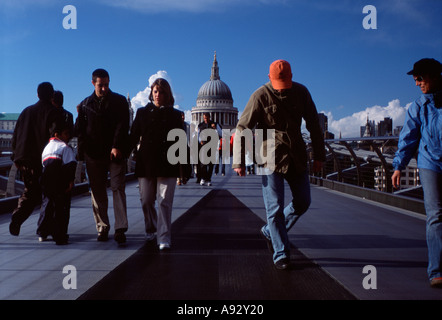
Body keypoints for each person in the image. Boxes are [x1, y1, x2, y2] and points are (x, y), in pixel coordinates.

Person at [232, 60, 326, 270]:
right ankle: (281, 253)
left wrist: (320, 155)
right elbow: (242, 128)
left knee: (303, 201)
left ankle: (269, 231)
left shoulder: (302, 92)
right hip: (269, 156)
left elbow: (313, 124)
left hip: (296, 156)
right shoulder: (259, 95)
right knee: (273, 207)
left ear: (292, 77)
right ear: (269, 78)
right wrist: (238, 161)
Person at [392, 58, 442, 288]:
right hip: (429, 163)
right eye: (415, 79)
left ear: (433, 76)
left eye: (420, 78)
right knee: (436, 214)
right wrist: (398, 166)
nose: (416, 83)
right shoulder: (418, 107)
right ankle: (436, 271)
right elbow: (408, 139)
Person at [75, 69, 130, 244]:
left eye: (107, 84)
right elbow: (79, 131)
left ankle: (120, 228)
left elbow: (122, 126)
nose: (105, 88)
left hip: (114, 153)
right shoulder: (85, 105)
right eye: (101, 85)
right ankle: (102, 227)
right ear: (93, 83)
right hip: (93, 154)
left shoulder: (120, 101)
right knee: (97, 192)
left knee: (117, 188)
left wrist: (116, 146)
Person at [129, 78, 184, 250]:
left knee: (164, 202)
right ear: (151, 94)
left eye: (161, 92)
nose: (158, 95)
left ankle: (164, 237)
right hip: (146, 163)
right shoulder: (142, 113)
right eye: (155, 92)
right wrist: (121, 151)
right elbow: (133, 136)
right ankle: (151, 227)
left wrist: (183, 169)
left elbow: (181, 142)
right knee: (146, 200)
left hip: (168, 164)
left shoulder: (175, 115)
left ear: (167, 95)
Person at [9, 82, 61, 236]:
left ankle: (17, 217)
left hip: (24, 159)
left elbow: (15, 137)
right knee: (48, 194)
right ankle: (44, 229)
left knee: (30, 191)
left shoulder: (26, 111)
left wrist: (16, 156)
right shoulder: (53, 112)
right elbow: (55, 137)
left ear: (37, 94)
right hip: (44, 160)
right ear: (52, 96)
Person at [37, 120, 77, 245]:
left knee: (47, 206)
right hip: (60, 182)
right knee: (61, 209)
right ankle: (60, 236)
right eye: (65, 134)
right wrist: (70, 181)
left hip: (46, 181)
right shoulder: (65, 147)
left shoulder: (46, 148)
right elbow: (70, 165)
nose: (68, 137)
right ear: (57, 134)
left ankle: (42, 232)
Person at [197, 113, 222, 186]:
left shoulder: (215, 124)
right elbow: (198, 134)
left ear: (209, 117)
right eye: (204, 118)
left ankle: (208, 179)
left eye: (207, 118)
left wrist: (215, 129)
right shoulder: (200, 125)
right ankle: (203, 178)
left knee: (211, 164)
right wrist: (200, 141)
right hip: (203, 146)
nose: (206, 120)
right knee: (203, 164)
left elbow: (221, 134)